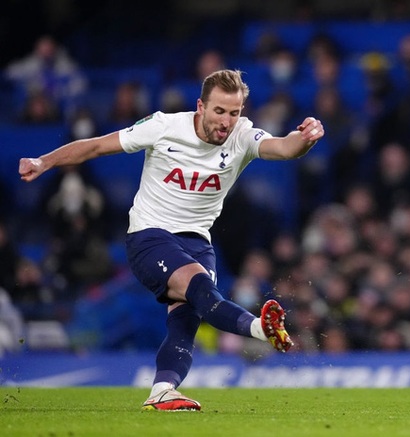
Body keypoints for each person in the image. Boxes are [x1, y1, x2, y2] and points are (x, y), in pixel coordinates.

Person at [19, 69, 325, 411]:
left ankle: (162, 390)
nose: (226, 121)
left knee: (184, 322)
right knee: (202, 291)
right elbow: (95, 147)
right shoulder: (164, 126)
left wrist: (306, 138)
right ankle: (259, 329)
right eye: (219, 111)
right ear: (201, 107)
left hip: (197, 242)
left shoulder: (242, 135)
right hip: (150, 236)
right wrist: (43, 161)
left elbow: (283, 148)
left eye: (234, 113)